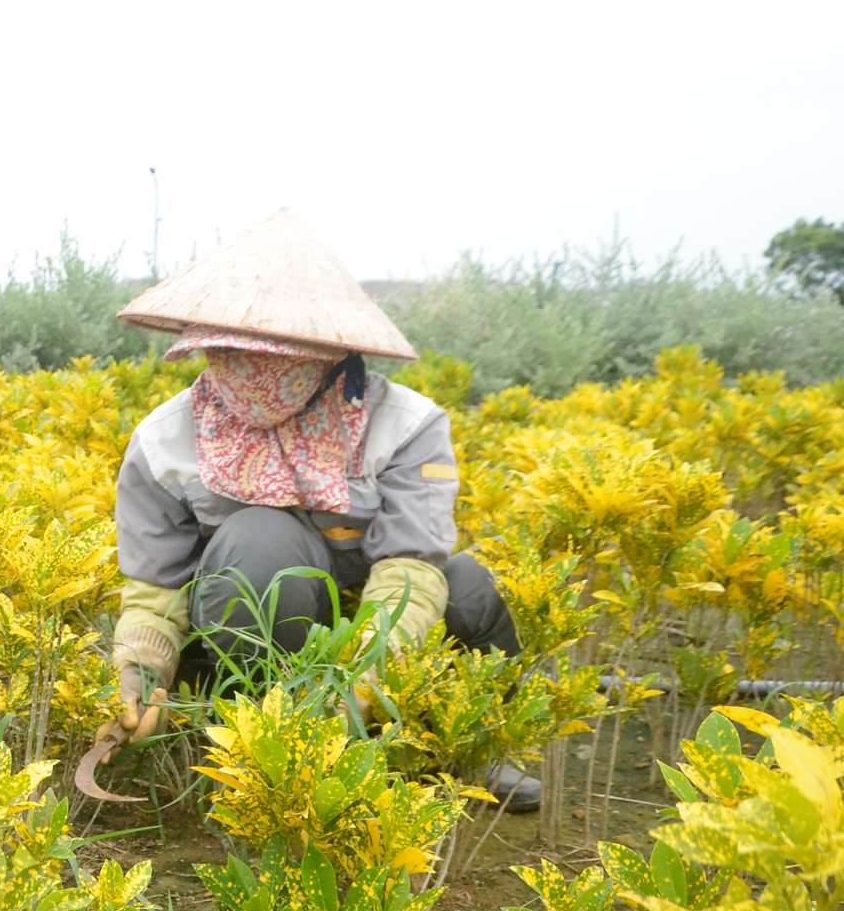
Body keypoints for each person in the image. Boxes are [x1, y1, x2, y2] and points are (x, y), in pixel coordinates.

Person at [107, 210, 536, 810]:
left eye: (281, 359)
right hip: (239, 633)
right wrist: (141, 675)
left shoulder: (403, 426)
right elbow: (155, 588)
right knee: (259, 542)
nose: (257, 375)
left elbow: (410, 568)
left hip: (370, 616)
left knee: (470, 588)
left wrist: (368, 672)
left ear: (329, 355)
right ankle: (260, 742)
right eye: (235, 354)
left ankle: (461, 753)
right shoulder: (166, 441)